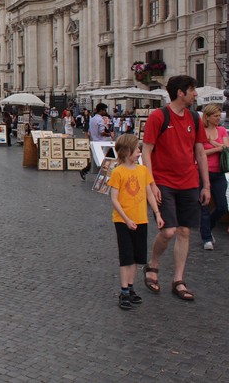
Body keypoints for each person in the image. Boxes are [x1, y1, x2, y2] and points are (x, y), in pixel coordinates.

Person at [141, 75, 208, 302]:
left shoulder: (195, 118)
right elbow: (146, 152)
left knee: (185, 231)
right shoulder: (158, 117)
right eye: (192, 90)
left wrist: (205, 184)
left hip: (189, 182)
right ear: (181, 92)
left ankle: (178, 279)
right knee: (168, 231)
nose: (195, 94)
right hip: (164, 182)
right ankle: (153, 263)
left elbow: (200, 152)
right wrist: (152, 183)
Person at [107, 134, 162, 310]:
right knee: (126, 257)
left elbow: (149, 193)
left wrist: (157, 214)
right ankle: (123, 291)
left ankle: (130, 287)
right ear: (126, 151)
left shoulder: (143, 170)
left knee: (136, 258)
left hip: (141, 220)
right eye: (137, 149)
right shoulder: (118, 172)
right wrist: (126, 219)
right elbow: (114, 199)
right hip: (123, 222)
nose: (139, 152)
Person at [197, 103, 228, 250]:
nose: (219, 118)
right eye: (215, 116)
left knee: (222, 206)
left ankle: (207, 227)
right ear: (207, 117)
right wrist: (217, 148)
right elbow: (199, 154)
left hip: (219, 173)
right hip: (203, 172)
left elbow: (226, 148)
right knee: (204, 205)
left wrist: (211, 144)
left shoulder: (222, 130)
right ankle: (206, 238)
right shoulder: (200, 131)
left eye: (219, 116)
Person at [80, 103, 113, 180]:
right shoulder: (100, 120)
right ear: (101, 110)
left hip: (95, 141)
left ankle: (84, 170)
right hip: (102, 142)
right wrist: (109, 134)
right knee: (106, 158)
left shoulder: (93, 119)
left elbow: (89, 132)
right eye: (104, 110)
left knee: (96, 160)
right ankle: (106, 175)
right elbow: (102, 132)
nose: (105, 112)